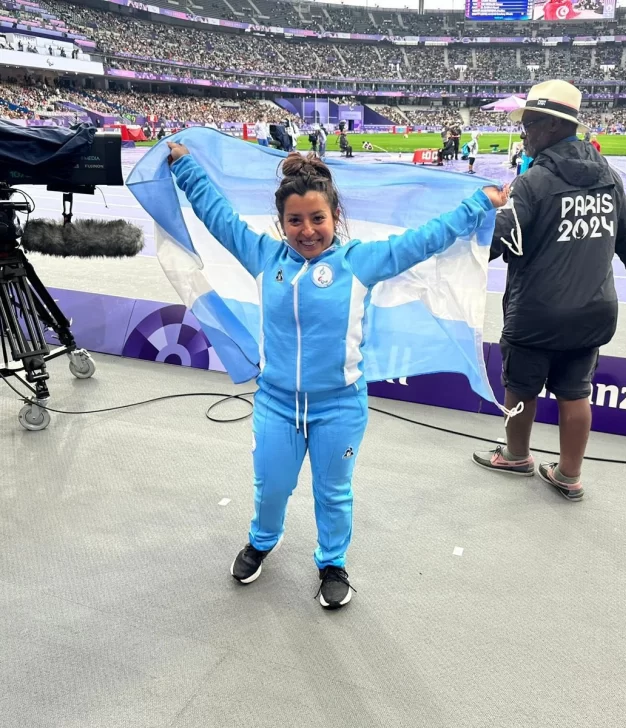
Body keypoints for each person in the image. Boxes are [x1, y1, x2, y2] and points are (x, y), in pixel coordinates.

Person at [166, 141, 507, 608]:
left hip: (339, 407)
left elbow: (426, 238)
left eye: (317, 219)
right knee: (272, 486)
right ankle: (262, 540)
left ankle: (332, 562)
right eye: (295, 221)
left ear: (334, 216)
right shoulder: (265, 257)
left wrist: (477, 203)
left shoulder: (359, 262)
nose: (307, 231)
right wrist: (185, 166)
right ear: (282, 222)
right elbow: (216, 214)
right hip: (276, 404)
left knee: (333, 491)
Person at [472, 80, 626, 501]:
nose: (525, 135)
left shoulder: (531, 183)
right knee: (576, 392)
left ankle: (517, 456)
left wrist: (458, 250)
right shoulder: (606, 174)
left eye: (529, 126)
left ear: (552, 127)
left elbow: (497, 242)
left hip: (536, 313)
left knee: (520, 388)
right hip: (593, 310)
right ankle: (569, 475)